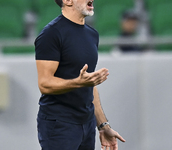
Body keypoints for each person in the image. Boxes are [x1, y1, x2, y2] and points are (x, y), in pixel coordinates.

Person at [34, 0, 125, 150]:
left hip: (87, 124)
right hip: (59, 125)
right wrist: (79, 82)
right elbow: (44, 84)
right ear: (67, 1)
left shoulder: (92, 34)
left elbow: (89, 84)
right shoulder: (51, 34)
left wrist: (103, 126)